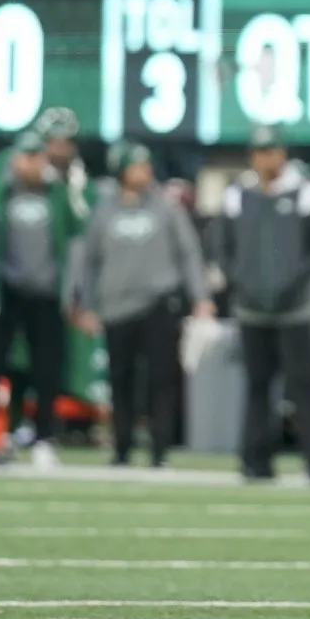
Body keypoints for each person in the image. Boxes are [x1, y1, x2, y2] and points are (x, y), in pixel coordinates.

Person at [73, 143, 211, 467]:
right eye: (137, 166)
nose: (145, 172)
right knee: (120, 380)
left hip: (158, 302)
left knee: (161, 379)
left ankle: (160, 448)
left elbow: (188, 252)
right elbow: (89, 260)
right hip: (116, 306)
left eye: (147, 166)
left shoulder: (166, 208)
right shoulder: (103, 211)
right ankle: (121, 447)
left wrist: (200, 296)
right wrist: (86, 303)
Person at [214, 126, 310, 482]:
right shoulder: (237, 195)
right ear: (253, 156)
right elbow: (220, 247)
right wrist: (241, 281)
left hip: (296, 309)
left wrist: (295, 283)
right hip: (251, 308)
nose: (267, 158)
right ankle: (254, 461)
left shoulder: (306, 193)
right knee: (257, 386)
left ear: (283, 153)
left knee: (304, 386)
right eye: (261, 152)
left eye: (273, 151)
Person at [0, 132, 83, 470]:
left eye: (37, 157)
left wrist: (73, 290)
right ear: (15, 159)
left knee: (47, 370)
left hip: (47, 291)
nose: (31, 164)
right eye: (26, 157)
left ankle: (44, 437)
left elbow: (75, 239)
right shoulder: (0, 190)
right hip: (6, 289)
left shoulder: (58, 193)